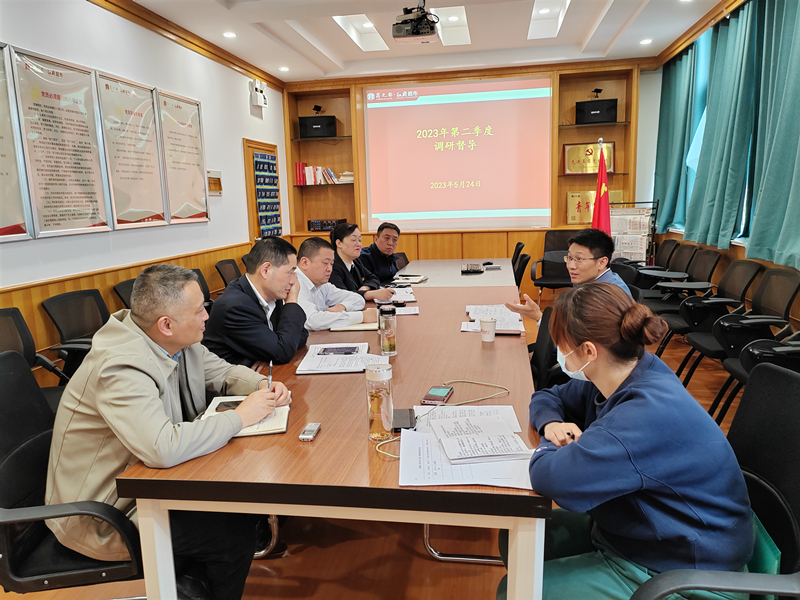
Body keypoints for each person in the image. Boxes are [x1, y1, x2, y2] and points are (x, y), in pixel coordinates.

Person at [45, 265, 291, 600]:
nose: (208, 315)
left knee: (236, 508)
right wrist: (240, 417)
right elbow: (162, 447)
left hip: (149, 487)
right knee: (232, 531)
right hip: (104, 517)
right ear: (166, 324)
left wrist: (263, 385)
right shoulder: (120, 365)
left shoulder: (175, 341)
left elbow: (223, 373)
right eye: (200, 310)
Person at [497, 283, 753, 600]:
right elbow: (549, 396)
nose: (560, 354)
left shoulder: (640, 417)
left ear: (589, 351)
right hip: (641, 529)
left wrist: (549, 444)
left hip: (686, 568)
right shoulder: (624, 373)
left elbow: (551, 478)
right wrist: (552, 424)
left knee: (514, 590)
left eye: (562, 345)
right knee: (515, 538)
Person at [203, 237, 308, 367]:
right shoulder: (235, 307)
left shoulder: (271, 294)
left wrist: (268, 355)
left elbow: (300, 336)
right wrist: (292, 302)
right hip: (230, 379)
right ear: (265, 270)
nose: (293, 281)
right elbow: (283, 351)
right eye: (290, 273)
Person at [506, 228, 631, 322]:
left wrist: (538, 317)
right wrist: (537, 316)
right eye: (569, 258)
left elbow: (575, 340)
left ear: (602, 262)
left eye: (579, 259)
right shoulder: (596, 283)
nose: (571, 266)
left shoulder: (606, 297)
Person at [295, 236, 378, 330]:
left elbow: (358, 299)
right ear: (305, 263)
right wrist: (361, 317)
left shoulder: (321, 284)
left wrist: (341, 307)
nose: (330, 269)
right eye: (325, 263)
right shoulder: (295, 284)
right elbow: (312, 320)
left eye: (331, 264)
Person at [329, 222, 395, 302]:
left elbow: (374, 278)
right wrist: (371, 294)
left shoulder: (355, 261)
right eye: (353, 240)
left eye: (360, 240)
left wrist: (365, 288)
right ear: (339, 243)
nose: (359, 244)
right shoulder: (332, 266)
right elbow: (342, 296)